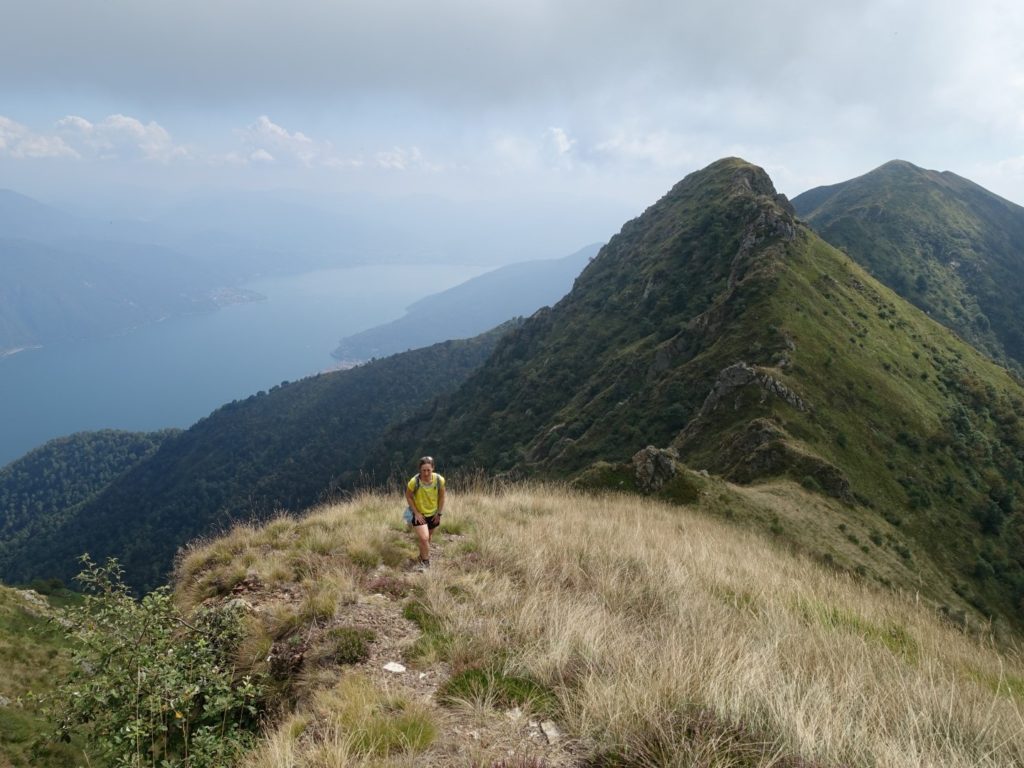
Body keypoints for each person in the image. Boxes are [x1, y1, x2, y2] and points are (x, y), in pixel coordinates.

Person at [404, 456, 445, 570]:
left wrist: (439, 513)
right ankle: (426, 563)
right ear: (419, 470)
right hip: (419, 514)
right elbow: (408, 496)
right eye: (423, 470)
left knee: (428, 537)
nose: (426, 473)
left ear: (433, 468)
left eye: (428, 470)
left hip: (433, 514)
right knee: (424, 538)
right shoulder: (414, 482)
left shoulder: (439, 480)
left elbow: (442, 497)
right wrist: (416, 513)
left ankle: (422, 557)